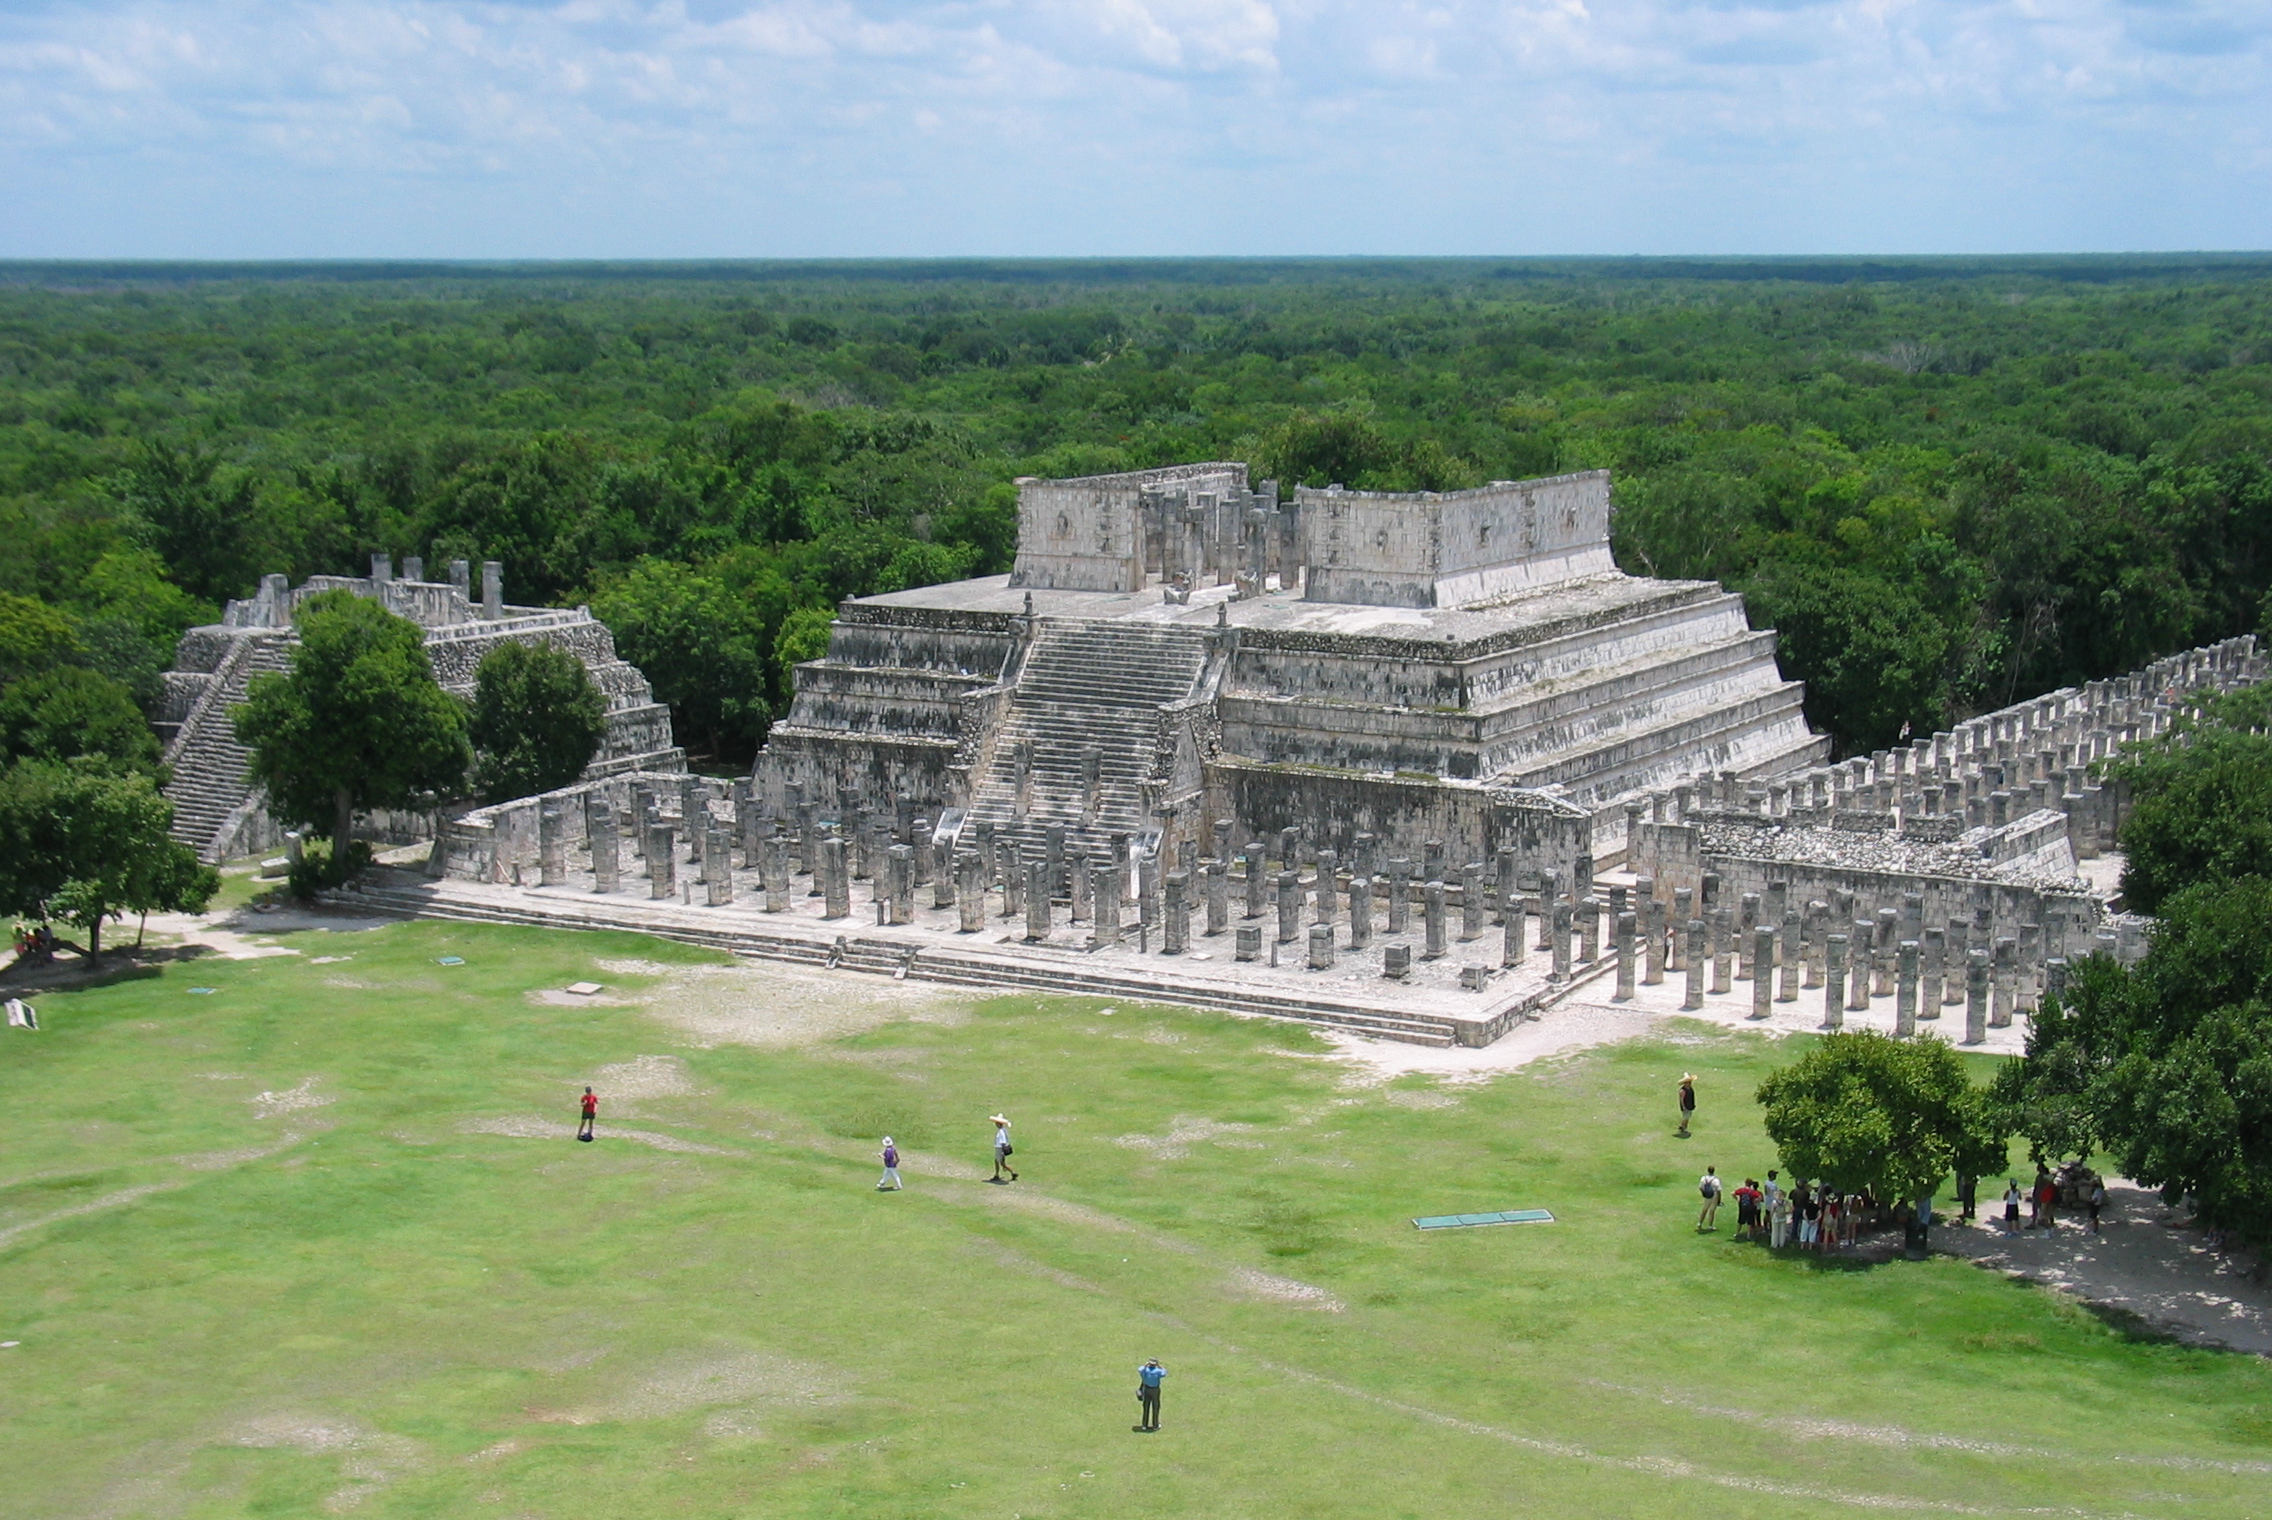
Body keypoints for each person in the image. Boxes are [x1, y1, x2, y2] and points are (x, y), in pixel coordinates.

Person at [1135, 1358, 1167, 1432]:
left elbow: (1140, 1369)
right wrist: (1160, 1366)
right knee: (1156, 1407)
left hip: (1146, 1389)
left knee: (1146, 1407)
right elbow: (1164, 1372)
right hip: (1155, 1390)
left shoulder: (1145, 1370)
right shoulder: (1158, 1371)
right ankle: (1155, 1425)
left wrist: (1145, 1365)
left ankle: (1144, 1425)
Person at [990, 1113, 1018, 1183]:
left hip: (999, 1148)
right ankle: (1012, 1173)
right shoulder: (1003, 1130)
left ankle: (998, 1175)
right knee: (1001, 1162)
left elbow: (1003, 1142)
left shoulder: (1001, 1131)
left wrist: (1002, 1151)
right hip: (1000, 1148)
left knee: (999, 1162)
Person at [1696, 1166, 1721, 1231]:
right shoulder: (1716, 1179)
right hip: (1714, 1195)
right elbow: (1718, 1190)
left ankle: (1700, 1223)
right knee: (1712, 1211)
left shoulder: (1703, 1178)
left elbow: (1700, 1187)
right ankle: (1710, 1225)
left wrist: (1704, 1193)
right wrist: (1719, 1200)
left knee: (1704, 1210)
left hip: (1707, 1195)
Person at [1769, 1180, 1792, 1250]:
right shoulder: (1785, 1202)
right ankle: (1781, 1244)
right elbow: (1791, 1207)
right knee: (1782, 1231)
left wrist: (1770, 1217)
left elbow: (1772, 1211)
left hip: (1776, 1217)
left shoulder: (1774, 1203)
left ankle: (1774, 1244)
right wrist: (1787, 1213)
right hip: (1783, 1217)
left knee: (1775, 1231)